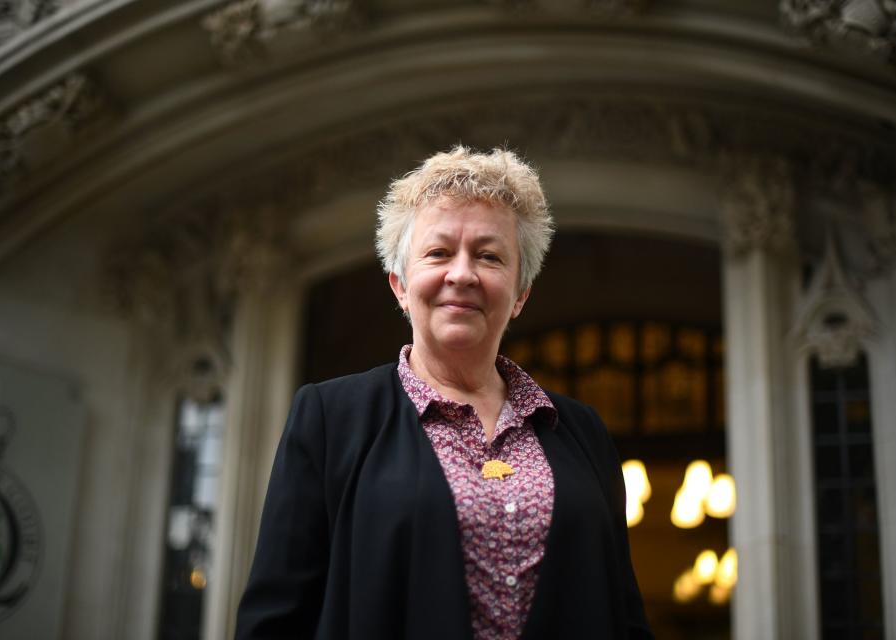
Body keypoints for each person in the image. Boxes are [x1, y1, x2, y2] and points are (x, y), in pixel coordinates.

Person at [235, 146, 653, 640]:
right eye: (437, 253)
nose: (462, 274)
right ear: (400, 286)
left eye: (489, 255)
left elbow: (623, 617)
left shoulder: (582, 432)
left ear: (520, 294)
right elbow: (276, 620)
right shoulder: (330, 418)